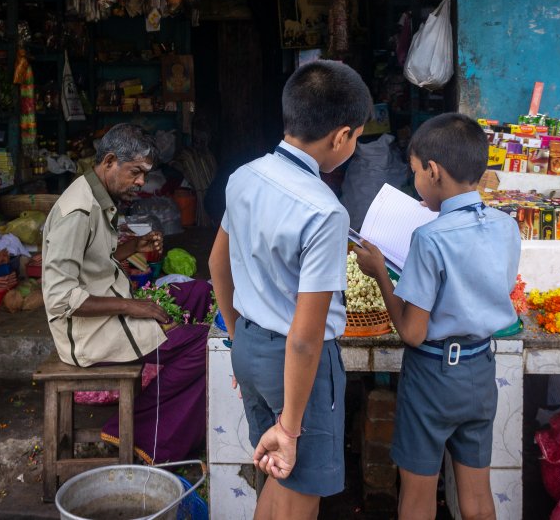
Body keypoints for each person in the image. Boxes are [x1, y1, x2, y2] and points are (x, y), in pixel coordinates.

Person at [208, 60, 372, 520]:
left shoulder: (243, 177)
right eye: (357, 137)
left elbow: (217, 263)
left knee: (278, 481)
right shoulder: (324, 210)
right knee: (300, 498)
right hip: (296, 368)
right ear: (341, 137)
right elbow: (304, 336)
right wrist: (293, 426)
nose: (353, 145)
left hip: (252, 346)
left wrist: (242, 337)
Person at [354, 113, 521, 520]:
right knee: (478, 499)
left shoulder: (429, 238)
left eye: (414, 172)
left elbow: (412, 332)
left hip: (433, 376)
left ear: (433, 170)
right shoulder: (507, 225)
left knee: (417, 498)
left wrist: (380, 274)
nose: (414, 183)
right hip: (480, 370)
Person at [41, 123, 209, 463]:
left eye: (144, 174)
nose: (140, 183)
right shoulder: (78, 211)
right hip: (87, 337)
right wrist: (133, 306)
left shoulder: (96, 196)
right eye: (135, 172)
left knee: (199, 293)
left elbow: (93, 263)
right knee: (206, 343)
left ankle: (159, 412)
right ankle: (137, 429)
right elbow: (60, 298)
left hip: (108, 314)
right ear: (110, 162)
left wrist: (133, 246)